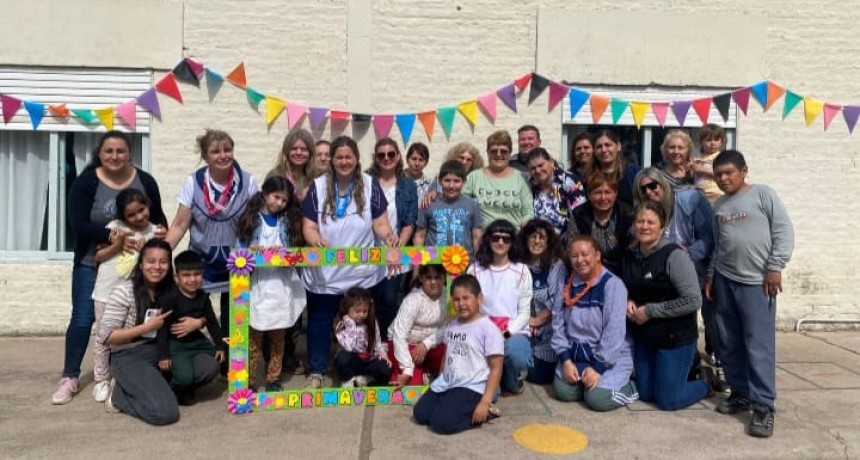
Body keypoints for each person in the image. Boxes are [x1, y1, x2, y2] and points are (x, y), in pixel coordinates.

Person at [53, 130, 168, 405]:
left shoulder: (145, 180)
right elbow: (78, 225)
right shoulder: (86, 182)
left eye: (120, 151)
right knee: (83, 318)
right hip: (92, 261)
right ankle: (70, 377)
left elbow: (159, 217)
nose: (115, 156)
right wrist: (116, 240)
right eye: (108, 151)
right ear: (99, 154)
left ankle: (124, 372)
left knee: (132, 320)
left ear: (130, 153)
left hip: (133, 270)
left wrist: (159, 238)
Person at [705, 150, 794, 438]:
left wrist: (775, 267)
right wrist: (710, 276)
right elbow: (719, 246)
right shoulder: (719, 205)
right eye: (718, 174)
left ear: (744, 171)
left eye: (729, 172)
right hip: (725, 281)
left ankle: (763, 406)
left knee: (758, 346)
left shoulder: (763, 195)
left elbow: (783, 231)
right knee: (729, 342)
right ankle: (741, 393)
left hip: (758, 283)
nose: (723, 178)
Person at [302, 135, 398, 388]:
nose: (344, 161)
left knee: (364, 323)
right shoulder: (318, 186)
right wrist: (315, 240)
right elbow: (309, 226)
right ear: (331, 160)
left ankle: (363, 366)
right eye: (339, 157)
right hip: (326, 275)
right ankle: (317, 370)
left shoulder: (370, 184)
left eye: (349, 157)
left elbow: (380, 223)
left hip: (362, 274)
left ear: (356, 159)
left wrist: (388, 237)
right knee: (321, 320)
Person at [164, 129, 257, 373]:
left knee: (233, 319)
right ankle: (191, 361)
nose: (223, 155)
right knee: (191, 312)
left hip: (237, 263)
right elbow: (180, 224)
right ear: (205, 156)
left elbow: (255, 224)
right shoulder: (192, 183)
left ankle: (233, 367)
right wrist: (160, 254)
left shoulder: (248, 182)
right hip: (201, 262)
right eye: (216, 151)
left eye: (227, 149)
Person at [633, 167, 721, 388]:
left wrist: (683, 256)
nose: (649, 191)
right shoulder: (645, 214)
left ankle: (702, 373)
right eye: (643, 189)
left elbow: (710, 237)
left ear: (663, 183)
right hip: (662, 277)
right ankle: (679, 369)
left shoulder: (689, 199)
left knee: (692, 321)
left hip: (692, 270)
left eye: (653, 185)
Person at [621, 201, 709, 411]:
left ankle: (705, 383)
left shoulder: (674, 255)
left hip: (675, 338)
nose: (644, 226)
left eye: (651, 222)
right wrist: (628, 300)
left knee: (669, 400)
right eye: (640, 221)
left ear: (662, 227)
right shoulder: (631, 255)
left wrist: (651, 311)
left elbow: (693, 300)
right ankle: (674, 378)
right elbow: (628, 286)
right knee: (646, 393)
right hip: (646, 338)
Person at [95, 240, 184, 425]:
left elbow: (197, 306)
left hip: (162, 350)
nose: (157, 267)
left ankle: (153, 386)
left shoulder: (172, 290)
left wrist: (199, 321)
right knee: (165, 413)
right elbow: (107, 336)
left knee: (205, 366)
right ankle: (118, 395)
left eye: (163, 262)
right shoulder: (124, 291)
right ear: (141, 264)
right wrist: (147, 327)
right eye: (151, 261)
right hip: (129, 354)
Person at [234, 176, 305, 391]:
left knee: (278, 338)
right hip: (257, 286)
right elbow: (239, 252)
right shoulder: (251, 219)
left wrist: (283, 253)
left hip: (281, 286)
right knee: (254, 338)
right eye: (276, 197)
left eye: (284, 200)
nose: (279, 203)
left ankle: (273, 377)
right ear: (265, 193)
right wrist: (249, 255)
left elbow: (293, 250)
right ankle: (250, 380)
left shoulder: (286, 221)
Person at [551, 235, 637, 411]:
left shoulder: (613, 285)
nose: (580, 260)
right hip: (576, 355)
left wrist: (598, 368)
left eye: (585, 254)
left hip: (607, 356)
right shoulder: (566, 283)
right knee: (564, 392)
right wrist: (566, 361)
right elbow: (557, 324)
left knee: (597, 399)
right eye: (574, 256)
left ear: (597, 255)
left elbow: (614, 332)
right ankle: (585, 381)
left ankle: (632, 386)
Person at [90, 189, 159, 402]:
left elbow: (155, 259)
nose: (139, 216)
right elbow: (98, 256)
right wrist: (118, 245)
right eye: (132, 214)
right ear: (122, 216)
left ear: (148, 205)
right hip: (105, 292)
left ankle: (119, 374)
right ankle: (101, 378)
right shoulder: (115, 229)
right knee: (104, 337)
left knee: (126, 337)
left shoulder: (154, 231)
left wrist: (147, 246)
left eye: (142, 210)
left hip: (131, 296)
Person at [413, 274, 503, 435]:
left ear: (479, 298)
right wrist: (440, 378)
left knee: (440, 424)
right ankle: (451, 403)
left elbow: (496, 368)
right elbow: (448, 354)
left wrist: (485, 401)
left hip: (471, 386)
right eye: (456, 299)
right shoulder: (453, 325)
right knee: (420, 414)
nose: (461, 304)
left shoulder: (488, 329)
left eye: (466, 298)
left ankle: (486, 413)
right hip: (448, 382)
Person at [466, 219, 532, 394]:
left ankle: (510, 376)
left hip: (512, 332)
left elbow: (525, 313)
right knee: (491, 395)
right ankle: (493, 374)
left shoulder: (522, 270)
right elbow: (470, 308)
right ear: (488, 240)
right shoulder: (474, 269)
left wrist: (506, 333)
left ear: (512, 242)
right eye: (496, 238)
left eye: (506, 238)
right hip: (482, 333)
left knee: (518, 358)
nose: (501, 242)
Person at [156, 250, 224, 405]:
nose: (192, 279)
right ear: (176, 277)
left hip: (197, 342)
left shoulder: (203, 297)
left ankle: (186, 384)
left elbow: (212, 322)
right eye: (186, 275)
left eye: (197, 274)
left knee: (219, 359)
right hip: (177, 346)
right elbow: (162, 330)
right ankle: (174, 388)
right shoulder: (170, 299)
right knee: (184, 377)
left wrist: (220, 345)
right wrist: (164, 356)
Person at [367, 138, 419, 341]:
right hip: (368, 250)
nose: (386, 158)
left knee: (389, 300)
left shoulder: (408, 185)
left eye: (391, 154)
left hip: (396, 251)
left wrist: (399, 244)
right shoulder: (366, 181)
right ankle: (370, 344)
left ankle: (390, 342)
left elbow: (410, 221)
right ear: (376, 158)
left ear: (398, 156)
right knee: (368, 300)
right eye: (381, 155)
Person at [519, 219, 565, 384]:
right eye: (533, 236)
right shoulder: (518, 263)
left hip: (547, 332)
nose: (537, 241)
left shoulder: (556, 265)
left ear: (548, 242)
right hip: (522, 327)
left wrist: (536, 321)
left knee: (537, 374)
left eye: (542, 237)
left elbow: (556, 301)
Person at [387, 264, 449, 386]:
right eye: (428, 277)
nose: (433, 282)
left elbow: (451, 327)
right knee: (410, 387)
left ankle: (427, 371)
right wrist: (407, 369)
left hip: (431, 344)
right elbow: (399, 335)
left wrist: (426, 344)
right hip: (406, 343)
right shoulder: (412, 300)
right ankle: (414, 370)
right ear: (421, 278)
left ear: (444, 278)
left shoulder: (450, 297)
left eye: (437, 277)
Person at [463, 130, 534, 228]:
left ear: (510, 153)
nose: (498, 155)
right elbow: (462, 207)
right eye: (493, 151)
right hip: (482, 238)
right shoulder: (474, 177)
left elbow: (528, 212)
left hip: (513, 238)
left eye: (504, 151)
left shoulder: (521, 178)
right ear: (487, 152)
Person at [568, 173, 633, 275]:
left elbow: (632, 251)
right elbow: (572, 248)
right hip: (587, 272)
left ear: (615, 194)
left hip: (622, 273)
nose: (603, 198)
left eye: (608, 192)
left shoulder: (628, 214)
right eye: (598, 192)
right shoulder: (578, 215)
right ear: (589, 195)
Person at [413, 160, 483, 256]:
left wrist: (477, 266)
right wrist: (416, 269)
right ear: (440, 181)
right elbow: (420, 236)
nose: (451, 186)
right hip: (434, 264)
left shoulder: (472, 204)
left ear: (464, 182)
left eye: (456, 181)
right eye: (447, 180)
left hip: (463, 263)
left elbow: (477, 236)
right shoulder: (428, 203)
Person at [334, 287, 392, 387]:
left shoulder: (372, 321)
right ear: (347, 309)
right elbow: (349, 347)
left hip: (369, 359)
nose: (361, 315)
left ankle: (366, 379)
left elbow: (377, 341)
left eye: (365, 311)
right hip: (353, 360)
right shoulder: (342, 324)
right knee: (342, 358)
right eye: (357, 311)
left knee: (386, 368)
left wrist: (382, 354)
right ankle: (348, 381)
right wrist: (351, 325)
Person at [527, 147, 586, 235]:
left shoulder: (568, 180)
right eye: (533, 168)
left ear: (551, 162)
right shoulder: (531, 187)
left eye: (540, 165)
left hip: (568, 240)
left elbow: (581, 214)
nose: (537, 171)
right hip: (540, 241)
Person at [421, 142, 485, 208]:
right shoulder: (440, 178)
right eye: (461, 158)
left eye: (469, 160)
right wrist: (432, 194)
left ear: (474, 163)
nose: (464, 162)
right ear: (454, 158)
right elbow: (429, 198)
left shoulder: (477, 180)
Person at [593, 130, 640, 206]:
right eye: (599, 147)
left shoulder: (633, 172)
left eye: (608, 145)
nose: (603, 150)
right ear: (594, 151)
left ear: (618, 146)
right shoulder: (590, 176)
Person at [268, 129, 314, 200]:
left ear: (310, 153)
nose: (299, 152)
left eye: (303, 149)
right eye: (294, 148)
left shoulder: (314, 176)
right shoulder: (276, 175)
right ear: (287, 152)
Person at [692, 124, 727, 204]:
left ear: (722, 142)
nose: (712, 143)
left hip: (716, 195)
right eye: (708, 140)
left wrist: (702, 169)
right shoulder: (698, 158)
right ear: (701, 142)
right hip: (700, 195)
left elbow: (721, 174)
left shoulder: (721, 157)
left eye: (716, 140)